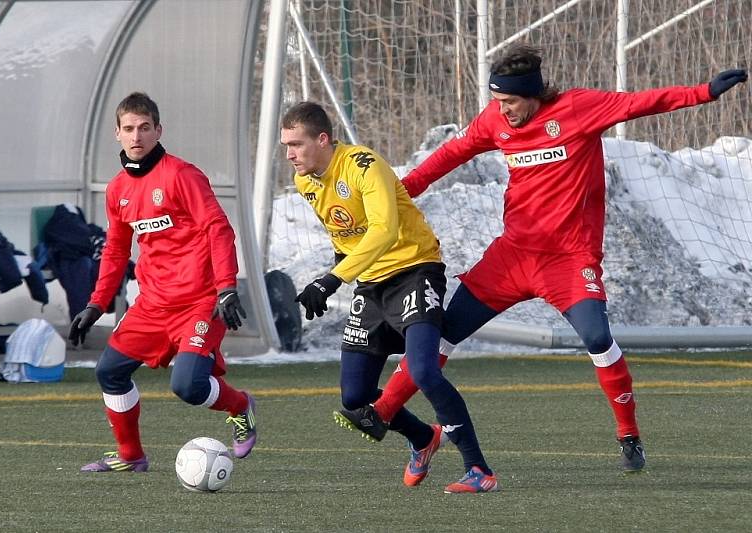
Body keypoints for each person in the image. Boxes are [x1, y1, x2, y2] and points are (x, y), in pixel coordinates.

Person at [336, 44, 748, 473]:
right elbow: (449, 156)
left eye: (510, 102)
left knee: (596, 338)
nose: (503, 111)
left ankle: (628, 434)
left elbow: (639, 103)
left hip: (569, 260)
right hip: (512, 256)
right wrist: (399, 195)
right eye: (498, 102)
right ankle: (382, 413)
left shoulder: (579, 107)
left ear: (534, 96)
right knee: (443, 333)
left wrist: (703, 92)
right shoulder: (495, 119)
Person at [281, 101, 498, 494]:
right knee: (355, 396)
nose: (290, 154)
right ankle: (423, 438)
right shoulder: (305, 181)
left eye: (296, 144)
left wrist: (332, 279)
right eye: (286, 146)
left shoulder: (364, 166)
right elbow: (344, 232)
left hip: (415, 270)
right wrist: (339, 266)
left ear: (323, 139)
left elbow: (383, 230)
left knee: (425, 370)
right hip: (371, 284)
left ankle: (479, 469)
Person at [70, 92, 255, 473]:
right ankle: (131, 457)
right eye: (128, 129)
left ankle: (240, 407)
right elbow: (116, 250)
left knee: (188, 386)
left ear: (158, 131)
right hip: (153, 304)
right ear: (116, 134)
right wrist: (96, 303)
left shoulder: (181, 175)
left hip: (201, 300)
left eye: (144, 128)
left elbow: (218, 229)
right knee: (109, 372)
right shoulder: (118, 189)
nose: (136, 136)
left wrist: (226, 287)